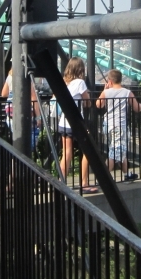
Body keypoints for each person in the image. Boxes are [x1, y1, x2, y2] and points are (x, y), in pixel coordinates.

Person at [95, 69, 141, 189]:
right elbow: (137, 108)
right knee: (115, 152)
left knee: (119, 150)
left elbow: (98, 105)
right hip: (120, 126)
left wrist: (105, 90)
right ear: (120, 79)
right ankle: (104, 178)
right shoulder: (127, 92)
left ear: (110, 81)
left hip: (108, 125)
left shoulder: (106, 92)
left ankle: (127, 174)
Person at [55, 57, 90, 186]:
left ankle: (61, 180)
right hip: (74, 122)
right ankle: (84, 183)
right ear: (80, 69)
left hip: (63, 122)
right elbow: (87, 102)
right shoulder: (80, 83)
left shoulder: (64, 82)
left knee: (66, 153)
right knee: (88, 150)